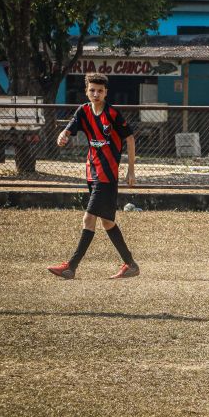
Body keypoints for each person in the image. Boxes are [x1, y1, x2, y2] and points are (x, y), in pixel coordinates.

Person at [47, 73, 140, 280]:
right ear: (86, 91)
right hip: (92, 173)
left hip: (107, 176)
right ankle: (131, 264)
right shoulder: (83, 111)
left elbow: (130, 138)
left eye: (100, 90)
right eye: (92, 90)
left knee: (89, 218)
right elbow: (67, 130)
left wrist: (130, 170)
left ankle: (70, 267)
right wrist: (61, 136)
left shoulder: (113, 114)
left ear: (106, 92)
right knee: (107, 222)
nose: (95, 93)